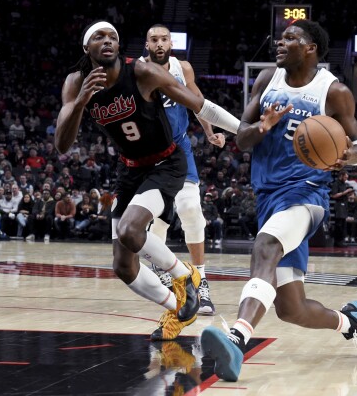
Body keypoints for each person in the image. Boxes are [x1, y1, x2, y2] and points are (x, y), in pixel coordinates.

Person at [200, 20, 357, 382]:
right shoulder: (265, 81)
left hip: (307, 194)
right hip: (268, 197)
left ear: (311, 49)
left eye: (291, 37)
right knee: (292, 309)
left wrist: (349, 155)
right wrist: (263, 126)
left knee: (265, 245)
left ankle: (236, 338)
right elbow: (241, 140)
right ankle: (350, 322)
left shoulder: (333, 91)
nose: (280, 41)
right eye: (281, 35)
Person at [55, 21, 240, 341]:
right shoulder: (76, 82)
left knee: (130, 229)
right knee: (123, 267)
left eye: (112, 35)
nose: (108, 40)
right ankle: (177, 309)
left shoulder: (140, 71)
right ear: (88, 48)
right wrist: (81, 101)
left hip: (166, 163)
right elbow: (61, 143)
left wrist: (249, 131)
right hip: (131, 170)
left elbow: (200, 104)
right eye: (99, 37)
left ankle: (186, 275)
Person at [141, 24, 231, 324]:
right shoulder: (137, 71)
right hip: (148, 155)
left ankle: (201, 282)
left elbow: (198, 104)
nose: (159, 43)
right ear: (147, 44)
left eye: (164, 38)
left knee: (191, 209)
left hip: (179, 151)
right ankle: (166, 275)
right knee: (156, 220)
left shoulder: (183, 68)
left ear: (170, 43)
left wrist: (210, 132)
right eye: (154, 39)